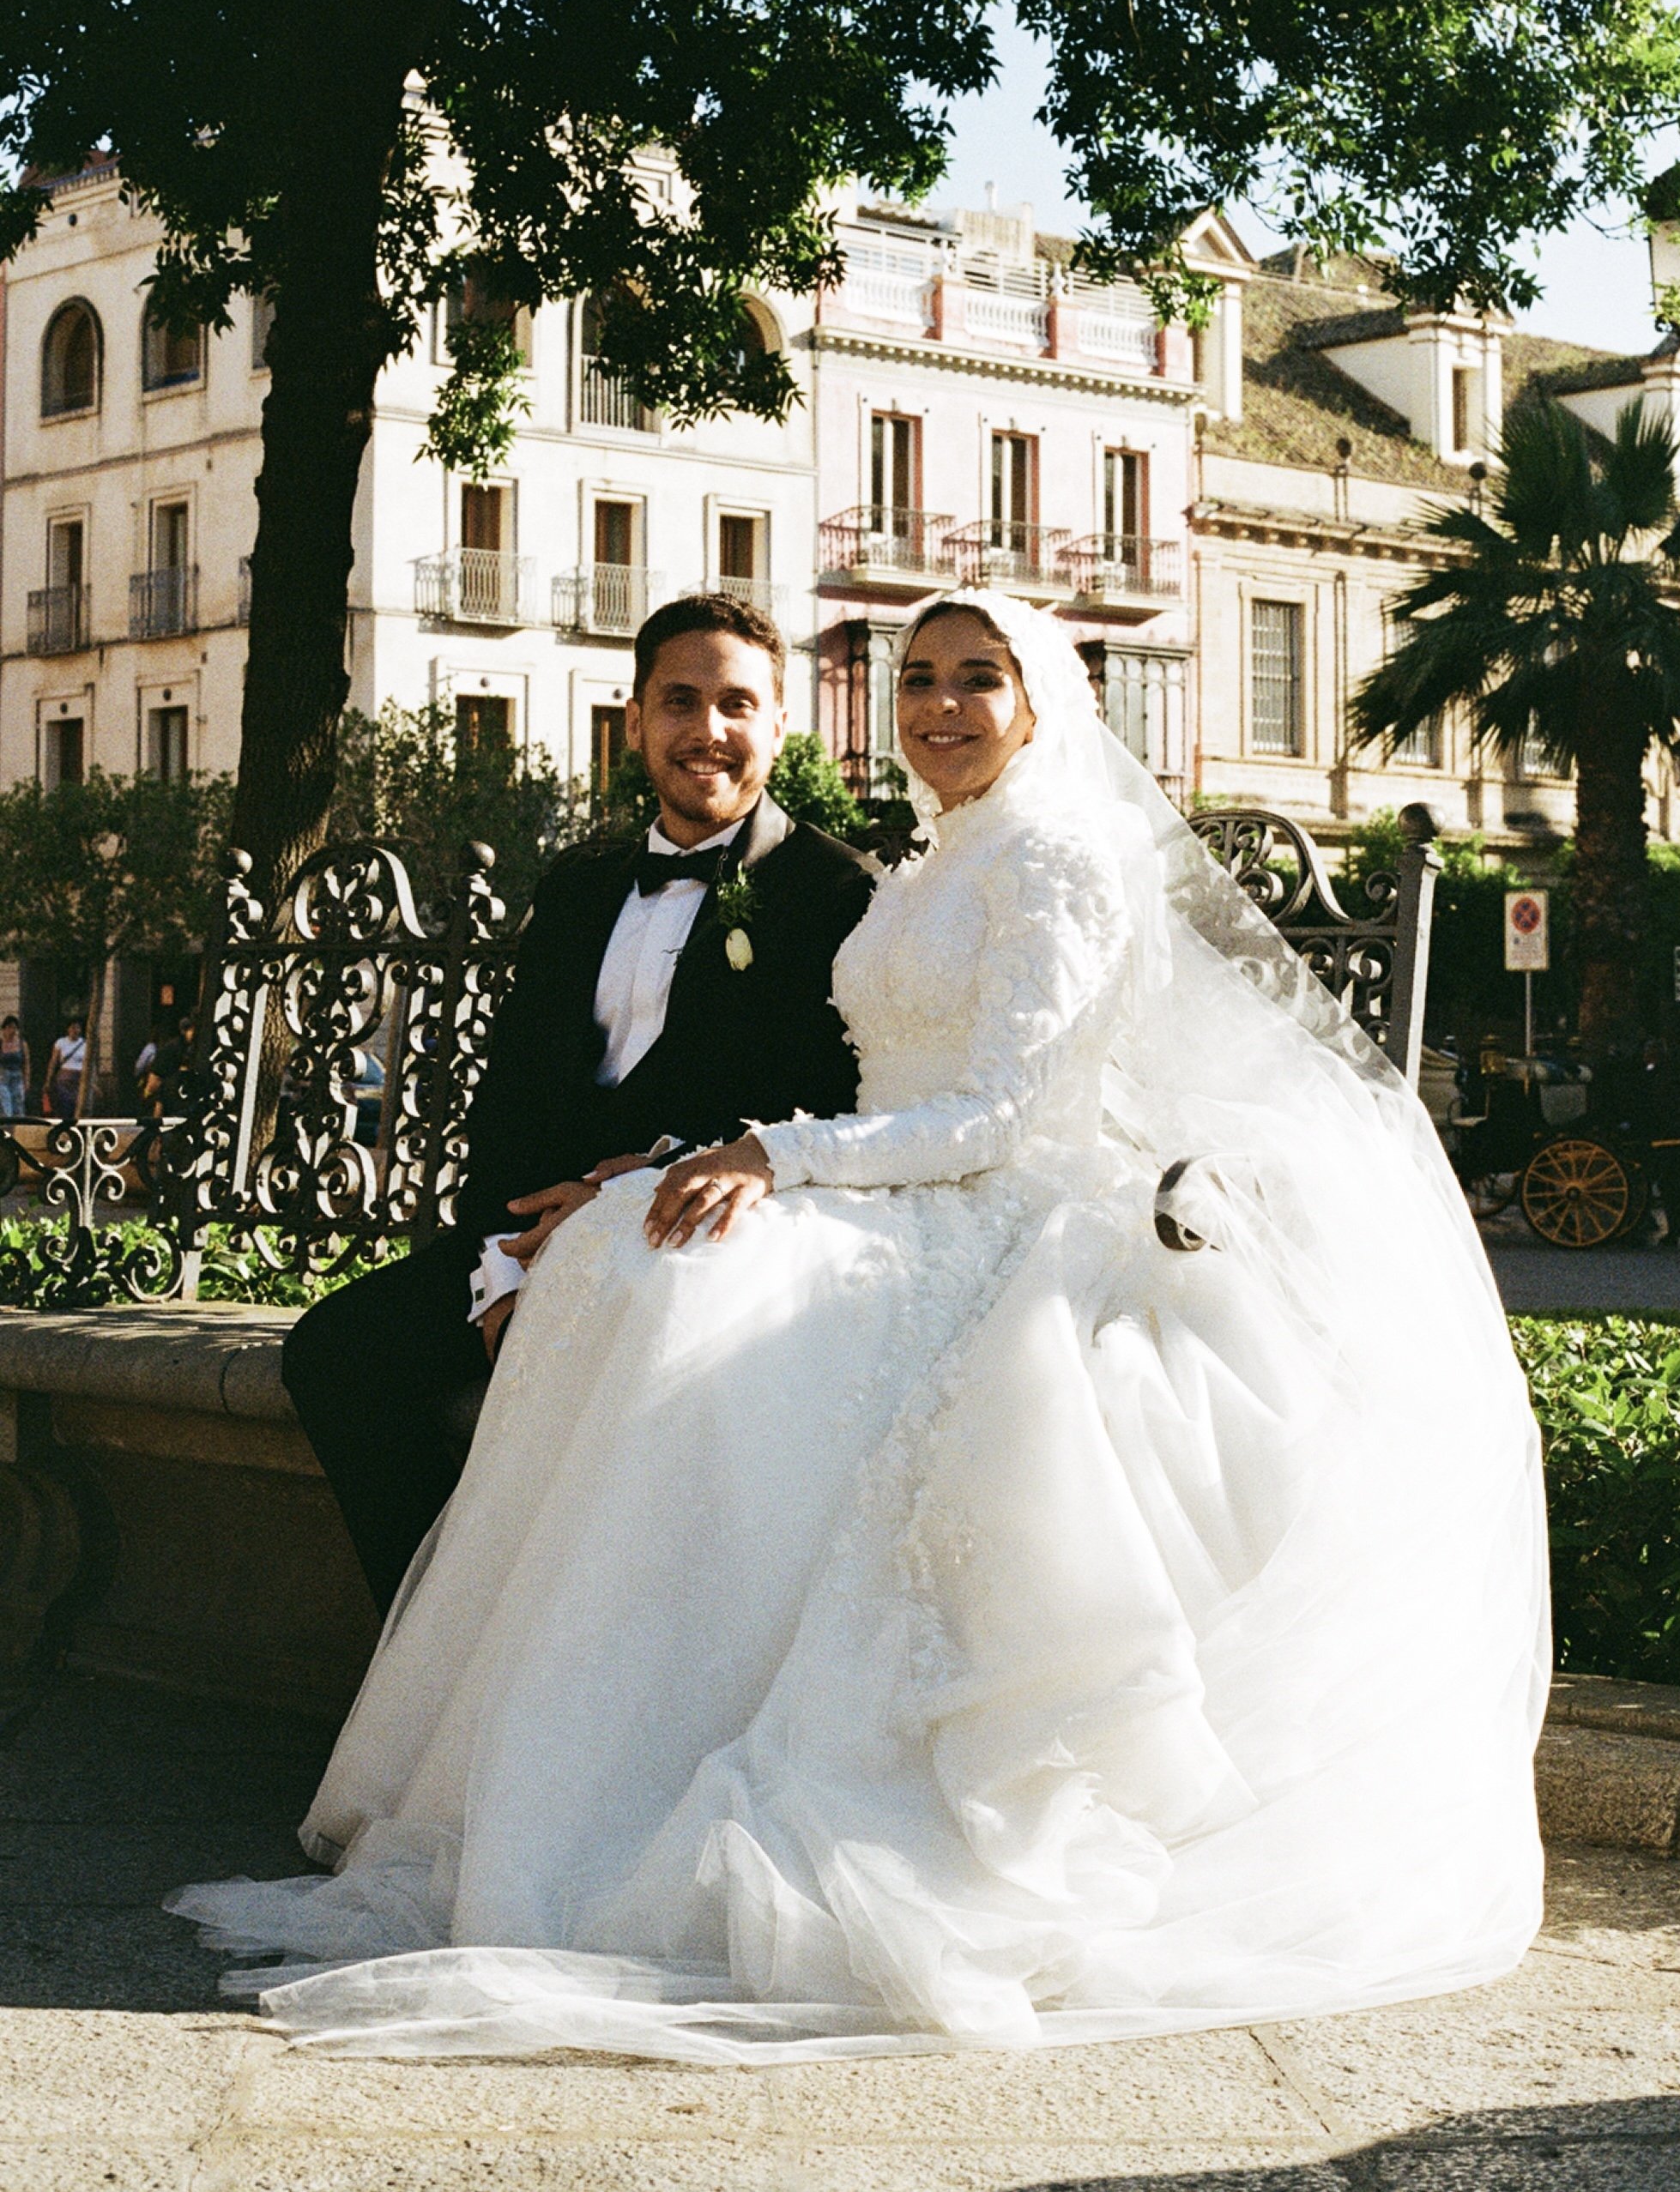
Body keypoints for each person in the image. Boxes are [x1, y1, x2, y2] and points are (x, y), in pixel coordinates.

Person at [171, 592, 1549, 2061]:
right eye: (917, 679)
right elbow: (776, 1094)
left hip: (988, 1211)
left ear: (1039, 705)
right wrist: (626, 1189)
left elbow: (995, 1114)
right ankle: (510, 1748)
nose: (941, 705)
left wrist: (769, 1158)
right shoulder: (924, 862)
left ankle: (616, 1783)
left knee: (669, 1287)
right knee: (611, 1271)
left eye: (976, 679)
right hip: (874, 1183)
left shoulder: (1038, 860)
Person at [277, 595, 875, 1614]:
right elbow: (510, 1096)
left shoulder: (838, 893)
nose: (708, 730)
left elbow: (821, 1107)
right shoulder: (581, 884)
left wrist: (616, 1207)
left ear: (781, 722)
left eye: (737, 703)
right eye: (678, 701)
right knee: (332, 1357)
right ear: (634, 719)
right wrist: (495, 1268)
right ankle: (439, 1640)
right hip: (526, 1244)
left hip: (690, 1247)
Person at [44, 1015, 85, 1121]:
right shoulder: (61, 1042)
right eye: (72, 1027)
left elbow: (89, 1064)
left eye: (77, 1028)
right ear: (68, 1029)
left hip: (79, 1078)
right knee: (65, 1103)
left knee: (78, 1104)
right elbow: (53, 1062)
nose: (75, 1030)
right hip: (64, 1079)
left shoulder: (85, 1044)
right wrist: (48, 1080)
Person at [0, 1018, 28, 1123]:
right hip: (3, 1077)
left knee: (18, 1104)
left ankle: (19, 1128)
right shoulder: (1, 1043)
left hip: (18, 1076)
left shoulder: (21, 1044)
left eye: (14, 1028)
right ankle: (7, 1127)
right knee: (6, 1104)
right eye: (9, 1027)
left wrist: (27, 1080)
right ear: (4, 1030)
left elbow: (26, 1062)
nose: (12, 1031)